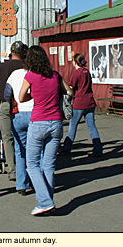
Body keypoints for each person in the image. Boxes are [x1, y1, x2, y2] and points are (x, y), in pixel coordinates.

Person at [19, 45, 73, 216]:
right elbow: (70, 92)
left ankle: (45, 201)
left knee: (32, 165)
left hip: (39, 122)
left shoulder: (30, 76)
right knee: (48, 166)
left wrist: (33, 96)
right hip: (56, 122)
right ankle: (47, 203)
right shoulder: (55, 75)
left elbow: (20, 97)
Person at [0, 41, 28, 181]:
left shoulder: (1, 67)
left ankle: (12, 170)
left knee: (7, 137)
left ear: (11, 53)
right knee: (24, 138)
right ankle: (25, 168)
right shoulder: (27, 66)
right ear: (23, 52)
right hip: (23, 104)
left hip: (5, 104)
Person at [58, 53, 103, 157]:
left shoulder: (76, 73)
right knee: (91, 126)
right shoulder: (87, 72)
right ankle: (98, 149)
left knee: (73, 126)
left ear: (75, 62)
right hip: (90, 102)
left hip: (79, 103)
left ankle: (66, 148)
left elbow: (71, 87)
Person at [4, 47, 34, 196]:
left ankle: (21, 184)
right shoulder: (37, 75)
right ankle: (36, 181)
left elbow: (6, 93)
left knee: (20, 150)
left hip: (19, 113)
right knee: (36, 151)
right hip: (35, 113)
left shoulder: (14, 75)